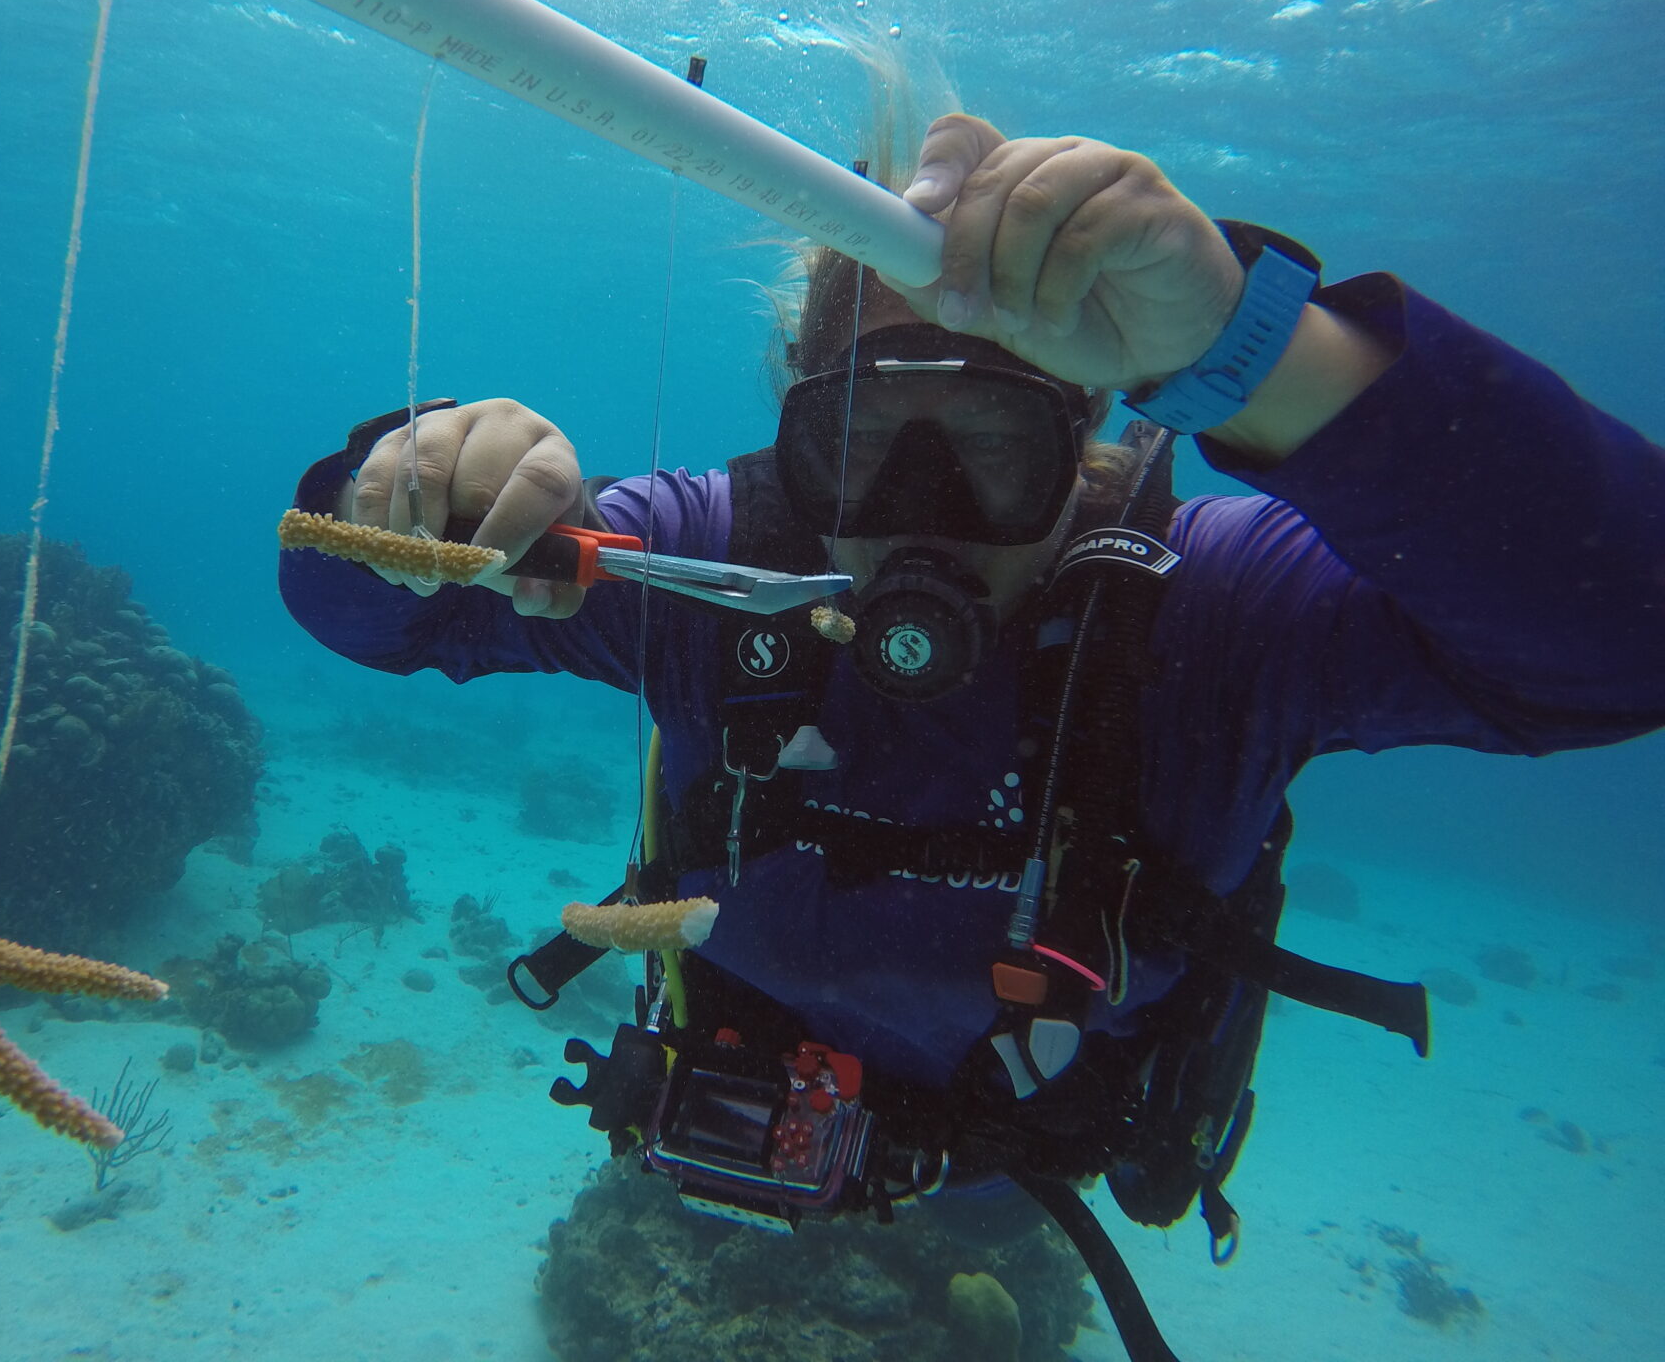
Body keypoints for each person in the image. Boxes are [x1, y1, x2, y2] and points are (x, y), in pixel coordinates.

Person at [278, 114, 1665, 1359]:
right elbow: (382, 613)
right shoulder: (712, 570)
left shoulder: (1216, 610)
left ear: (1090, 439)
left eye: (992, 444)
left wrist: (1257, 351)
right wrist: (412, 494)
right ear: (792, 438)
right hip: (738, 1125)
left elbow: (1627, 637)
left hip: (1035, 1164)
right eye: (864, 439)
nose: (918, 509)